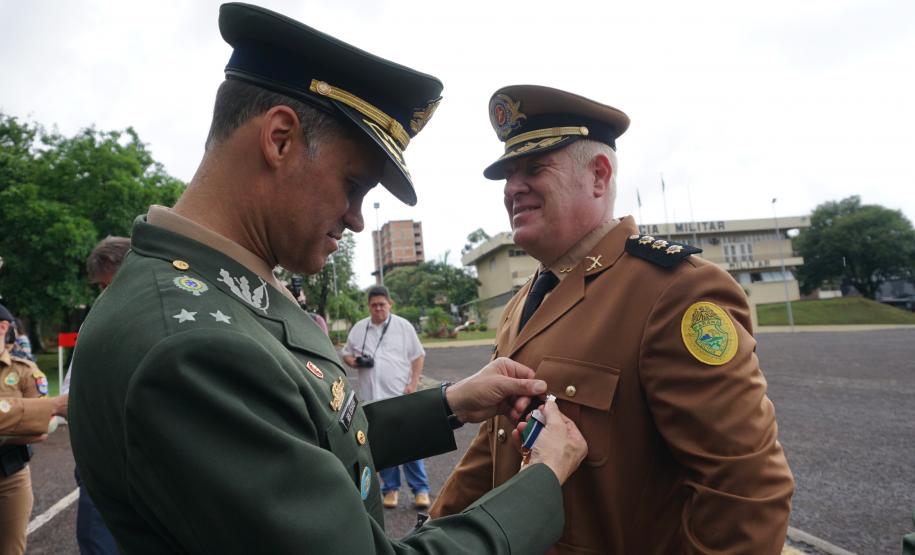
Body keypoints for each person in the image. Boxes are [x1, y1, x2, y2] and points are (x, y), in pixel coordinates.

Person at [68, 5, 587, 554]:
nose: (357, 217)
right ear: (281, 139)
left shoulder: (220, 290)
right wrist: (543, 478)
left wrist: (451, 402)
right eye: (354, 184)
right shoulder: (189, 348)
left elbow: (307, 436)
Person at [431, 85, 796, 553]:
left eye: (535, 168)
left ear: (599, 176)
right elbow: (495, 442)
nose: (512, 189)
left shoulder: (674, 290)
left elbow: (744, 489)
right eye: (508, 175)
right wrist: (435, 530)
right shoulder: (523, 302)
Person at [61, 236, 129, 555]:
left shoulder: (172, 316)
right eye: (101, 287)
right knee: (98, 541)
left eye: (112, 284)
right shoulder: (95, 323)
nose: (106, 294)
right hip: (103, 462)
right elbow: (69, 392)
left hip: (155, 465)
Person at [342, 285, 430, 509]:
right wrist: (352, 361)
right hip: (372, 398)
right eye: (374, 305)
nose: (378, 308)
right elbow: (346, 353)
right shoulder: (360, 328)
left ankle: (420, 490)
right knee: (384, 445)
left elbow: (418, 355)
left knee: (410, 443)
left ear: (389, 304)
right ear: (369, 307)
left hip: (401, 395)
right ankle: (390, 490)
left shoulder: (402, 326)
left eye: (382, 304)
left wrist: (413, 383)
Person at [0, 303, 68, 555]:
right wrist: (23, 419)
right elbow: (42, 413)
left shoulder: (24, 371)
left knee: (11, 549)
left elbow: (41, 428)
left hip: (9, 476)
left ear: (3, 327)